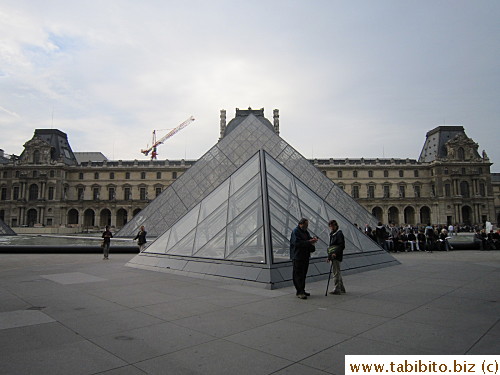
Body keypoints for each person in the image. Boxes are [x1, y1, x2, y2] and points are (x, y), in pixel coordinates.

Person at [290, 218, 318, 299]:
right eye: (305, 225)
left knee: (303, 274)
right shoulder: (295, 231)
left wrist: (312, 240)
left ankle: (302, 290)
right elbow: (297, 243)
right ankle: (299, 292)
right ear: (300, 224)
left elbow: (307, 240)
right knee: (298, 274)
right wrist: (309, 242)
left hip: (305, 256)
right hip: (298, 256)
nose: (307, 226)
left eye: (307, 225)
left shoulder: (305, 232)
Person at [327, 220, 346, 295]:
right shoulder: (333, 234)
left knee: (335, 272)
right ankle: (341, 288)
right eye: (330, 226)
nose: (331, 227)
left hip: (336, 256)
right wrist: (329, 257)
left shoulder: (339, 234)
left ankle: (337, 288)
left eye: (332, 226)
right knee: (337, 272)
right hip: (333, 255)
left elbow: (341, 246)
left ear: (335, 226)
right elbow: (331, 247)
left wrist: (335, 253)